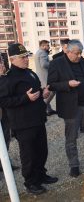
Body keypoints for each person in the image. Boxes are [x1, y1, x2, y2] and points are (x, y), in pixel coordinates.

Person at [0, 43, 58, 195]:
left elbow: (35, 91)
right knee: (29, 155)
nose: (26, 59)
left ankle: (41, 175)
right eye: (22, 57)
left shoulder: (29, 73)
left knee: (42, 151)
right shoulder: (8, 79)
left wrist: (42, 92)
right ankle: (30, 182)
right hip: (23, 124)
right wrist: (25, 98)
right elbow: (4, 101)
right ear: (12, 59)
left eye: (26, 56)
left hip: (38, 119)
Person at [48, 40, 84, 178]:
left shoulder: (82, 61)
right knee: (71, 137)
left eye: (80, 53)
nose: (79, 56)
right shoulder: (56, 63)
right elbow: (52, 84)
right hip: (70, 107)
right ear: (68, 51)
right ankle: (74, 165)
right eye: (76, 53)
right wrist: (67, 84)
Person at [0, 55, 19, 172]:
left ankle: (4, 163)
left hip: (5, 115)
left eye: (2, 62)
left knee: (6, 138)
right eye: (1, 63)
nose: (2, 65)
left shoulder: (5, 77)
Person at [35, 40, 57, 116]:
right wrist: (53, 63)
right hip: (44, 76)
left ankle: (49, 110)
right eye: (47, 45)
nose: (48, 47)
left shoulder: (38, 52)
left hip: (41, 75)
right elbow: (44, 64)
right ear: (43, 46)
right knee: (51, 92)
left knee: (47, 92)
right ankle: (42, 107)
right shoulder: (42, 53)